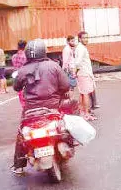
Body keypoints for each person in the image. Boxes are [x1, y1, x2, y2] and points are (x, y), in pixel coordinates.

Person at [11, 39, 72, 175]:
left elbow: (16, 87)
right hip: (52, 106)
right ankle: (69, 144)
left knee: (21, 133)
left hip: (30, 109)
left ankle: (19, 165)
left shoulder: (23, 70)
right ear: (43, 51)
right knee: (66, 122)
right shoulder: (54, 66)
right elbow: (65, 85)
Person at [74, 31, 97, 120]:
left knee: (82, 93)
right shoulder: (81, 48)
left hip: (82, 73)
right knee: (86, 94)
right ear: (80, 39)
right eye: (84, 38)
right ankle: (86, 114)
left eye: (87, 37)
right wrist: (76, 71)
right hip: (84, 74)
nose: (86, 39)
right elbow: (78, 62)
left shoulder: (80, 47)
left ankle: (82, 112)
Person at [12, 40, 28, 108]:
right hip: (25, 76)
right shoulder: (26, 56)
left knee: (20, 93)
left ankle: (23, 107)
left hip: (17, 77)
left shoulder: (14, 56)